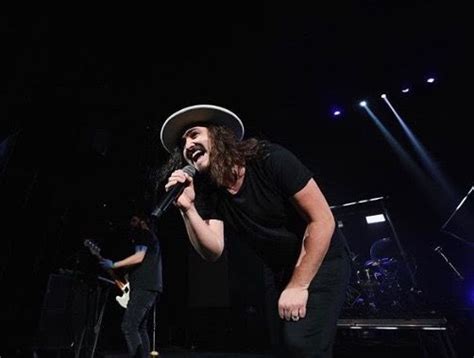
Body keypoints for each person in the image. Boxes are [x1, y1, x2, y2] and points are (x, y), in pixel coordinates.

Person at [159, 104, 351, 357]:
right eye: (183, 144)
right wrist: (188, 209)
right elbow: (213, 250)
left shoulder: (269, 158)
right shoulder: (209, 192)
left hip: (322, 256)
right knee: (286, 347)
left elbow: (323, 220)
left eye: (194, 134)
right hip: (280, 269)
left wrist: (299, 285)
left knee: (302, 346)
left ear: (218, 135)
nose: (187, 146)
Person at [100, 213, 163, 358]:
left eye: (134, 220)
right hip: (150, 287)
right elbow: (143, 261)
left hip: (144, 287)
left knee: (129, 326)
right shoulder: (151, 238)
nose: (131, 224)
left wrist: (114, 264)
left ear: (142, 221)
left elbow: (139, 257)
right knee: (140, 328)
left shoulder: (144, 234)